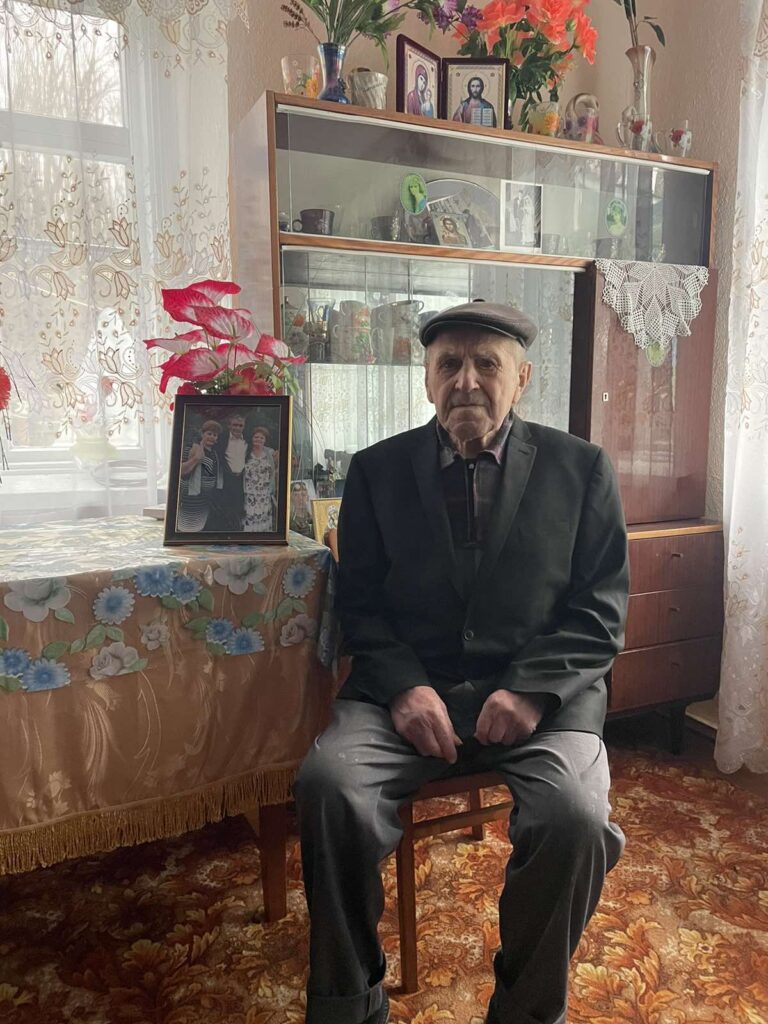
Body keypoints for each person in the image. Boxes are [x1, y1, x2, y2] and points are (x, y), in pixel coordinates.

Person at [294, 299, 629, 1024]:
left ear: (522, 378)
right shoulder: (376, 471)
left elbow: (601, 610)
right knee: (330, 786)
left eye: (487, 363)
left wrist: (532, 690)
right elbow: (360, 605)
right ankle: (349, 1005)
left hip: (543, 699)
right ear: (426, 379)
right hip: (405, 691)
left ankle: (525, 1011)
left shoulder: (582, 469)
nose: (466, 381)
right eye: (449, 364)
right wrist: (405, 687)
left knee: (575, 817)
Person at [177, 419, 224, 532]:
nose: (212, 437)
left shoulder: (215, 454)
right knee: (186, 529)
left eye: (215, 435)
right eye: (209, 433)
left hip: (204, 501)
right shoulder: (192, 449)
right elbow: (180, 471)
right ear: (202, 434)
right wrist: (196, 458)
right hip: (190, 500)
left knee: (199, 528)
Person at [207, 411, 248, 531]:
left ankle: (238, 533)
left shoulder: (248, 441)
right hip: (225, 479)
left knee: (239, 507)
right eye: (235, 425)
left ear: (244, 427)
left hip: (241, 480)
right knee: (225, 508)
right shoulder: (222, 440)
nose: (237, 428)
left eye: (240, 425)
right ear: (229, 425)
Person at [242, 425, 276, 531]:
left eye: (262, 438)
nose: (259, 439)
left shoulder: (270, 453)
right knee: (249, 518)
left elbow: (274, 471)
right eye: (256, 437)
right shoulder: (246, 452)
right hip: (250, 494)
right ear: (252, 438)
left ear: (265, 440)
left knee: (264, 520)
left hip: (264, 494)